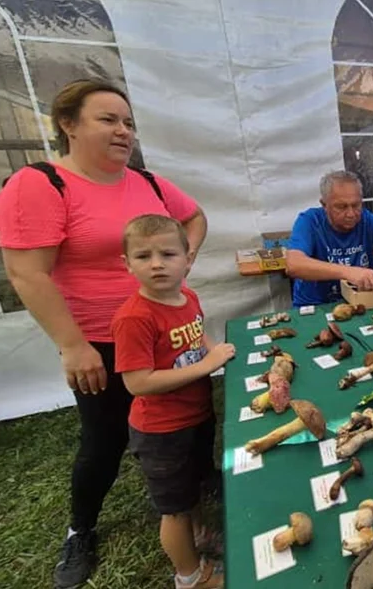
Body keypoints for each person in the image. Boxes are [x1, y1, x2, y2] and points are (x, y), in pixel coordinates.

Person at [0, 79, 207, 589]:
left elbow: (193, 218)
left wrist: (184, 262)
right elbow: (27, 273)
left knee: (187, 413)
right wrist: (72, 344)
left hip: (169, 326)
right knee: (104, 438)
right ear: (68, 124)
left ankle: (191, 491)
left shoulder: (147, 182)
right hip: (100, 338)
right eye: (108, 120)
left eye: (128, 122)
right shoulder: (40, 184)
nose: (123, 131)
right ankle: (81, 528)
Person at [112, 215, 232, 589]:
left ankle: (198, 540)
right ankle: (190, 576)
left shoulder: (188, 296)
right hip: (162, 431)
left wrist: (215, 351)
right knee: (174, 509)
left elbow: (196, 339)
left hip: (195, 416)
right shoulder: (135, 317)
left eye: (167, 253)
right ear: (127, 264)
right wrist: (207, 366)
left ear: (188, 259)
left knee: (192, 486)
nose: (157, 263)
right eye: (143, 256)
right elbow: (138, 382)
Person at [286, 170, 373, 305]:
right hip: (316, 306)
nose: (351, 214)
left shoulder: (366, 220)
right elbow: (294, 264)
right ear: (324, 205)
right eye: (341, 207)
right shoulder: (310, 221)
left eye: (356, 205)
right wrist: (349, 272)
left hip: (360, 302)